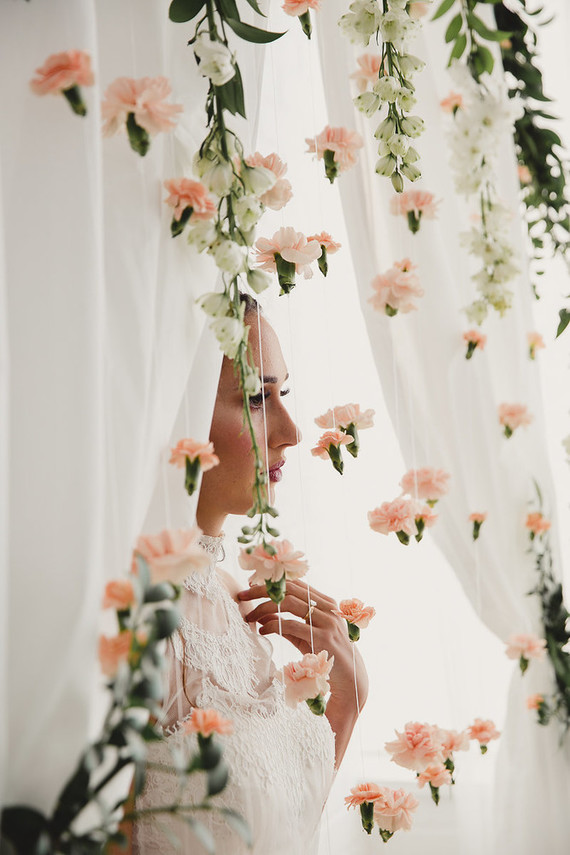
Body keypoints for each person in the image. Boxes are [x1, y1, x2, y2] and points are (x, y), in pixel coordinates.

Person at [132, 298, 368, 853]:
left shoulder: (239, 600)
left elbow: (274, 831)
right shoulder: (134, 615)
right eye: (258, 397)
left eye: (283, 393)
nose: (290, 430)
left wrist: (346, 702)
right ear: (176, 413)